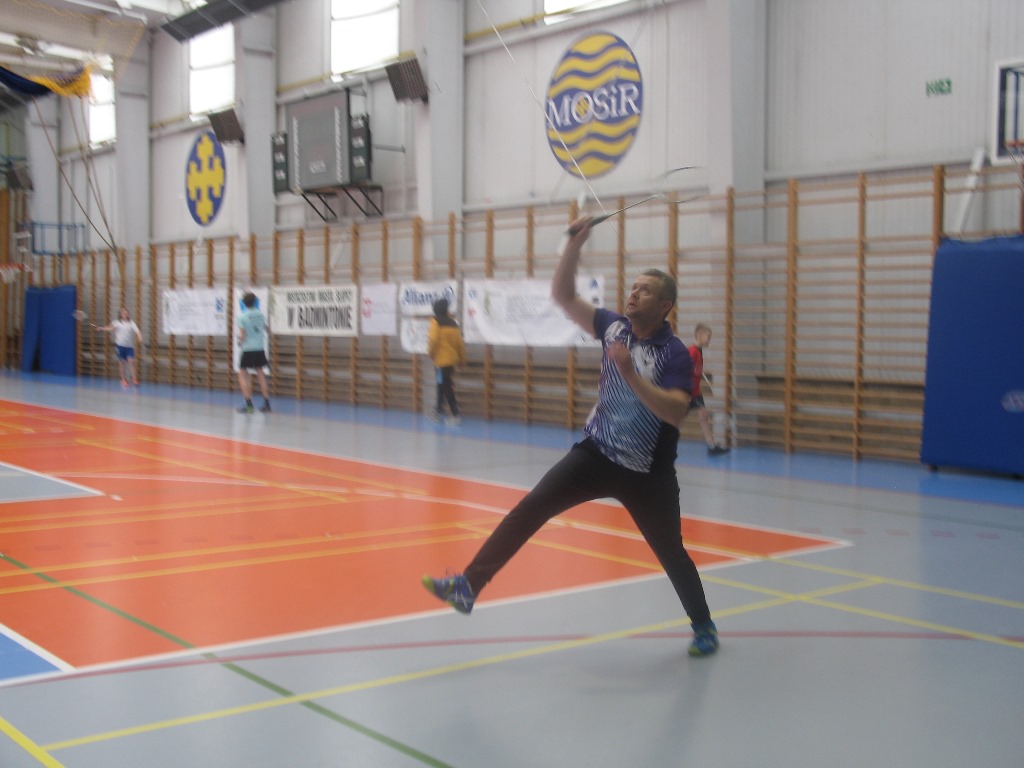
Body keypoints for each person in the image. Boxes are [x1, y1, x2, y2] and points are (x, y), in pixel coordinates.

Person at [422, 216, 719, 657]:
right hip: (596, 454)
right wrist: (575, 243)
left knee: (671, 552)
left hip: (647, 472)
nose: (633, 293)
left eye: (645, 291)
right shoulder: (613, 326)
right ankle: (468, 586)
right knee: (530, 508)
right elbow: (562, 296)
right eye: (633, 287)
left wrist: (630, 373)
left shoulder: (673, 354)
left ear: (665, 306)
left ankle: (704, 626)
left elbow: (676, 412)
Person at [689, 323, 729, 455]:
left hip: (696, 392)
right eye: (708, 337)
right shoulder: (692, 351)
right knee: (673, 420)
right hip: (688, 393)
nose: (709, 340)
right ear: (699, 336)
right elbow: (683, 371)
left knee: (703, 417)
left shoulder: (699, 352)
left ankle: (711, 445)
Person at [427, 297, 466, 425]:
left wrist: (431, 354)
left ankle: (455, 414)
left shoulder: (435, 322)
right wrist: (462, 359)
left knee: (446, 387)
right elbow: (460, 344)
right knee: (441, 386)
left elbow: (433, 340)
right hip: (451, 361)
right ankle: (438, 412)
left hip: (441, 362)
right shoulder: (453, 323)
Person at [236, 292, 271, 414]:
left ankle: (249, 406)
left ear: (244, 303)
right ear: (255, 302)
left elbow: (243, 335)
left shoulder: (242, 317)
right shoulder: (260, 315)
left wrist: (239, 342)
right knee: (261, 374)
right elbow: (267, 329)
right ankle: (267, 404)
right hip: (259, 348)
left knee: (242, 376)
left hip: (248, 349)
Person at [95, 307, 143, 388]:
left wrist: (140, 337)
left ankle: (134, 379)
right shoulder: (116, 322)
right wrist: (102, 328)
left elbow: (137, 331)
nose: (125, 314)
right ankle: (123, 379)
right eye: (123, 313)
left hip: (129, 346)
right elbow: (110, 328)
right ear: (120, 315)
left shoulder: (131, 323)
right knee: (122, 363)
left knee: (131, 361)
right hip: (120, 346)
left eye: (126, 313)